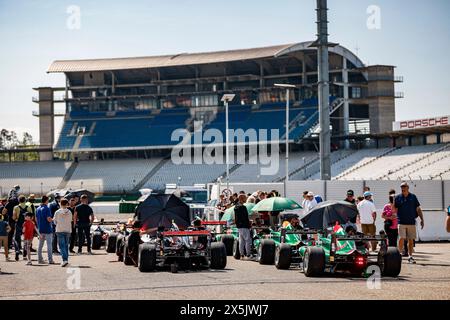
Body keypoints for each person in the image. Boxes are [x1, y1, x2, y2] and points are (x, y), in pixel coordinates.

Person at [393, 182, 424, 264]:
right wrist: (394, 218)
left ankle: (410, 256)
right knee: (401, 238)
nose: (402, 188)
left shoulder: (413, 197)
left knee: (411, 240)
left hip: (411, 222)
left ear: (408, 187)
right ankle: (398, 255)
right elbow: (395, 209)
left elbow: (418, 209)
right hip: (401, 222)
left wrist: (422, 219)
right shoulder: (398, 197)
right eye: (401, 186)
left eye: (404, 186)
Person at [35, 196, 55, 264]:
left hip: (40, 229)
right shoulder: (47, 208)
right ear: (46, 200)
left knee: (40, 245)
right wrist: (53, 220)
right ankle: (50, 260)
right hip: (47, 228)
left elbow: (36, 219)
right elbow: (48, 219)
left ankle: (40, 259)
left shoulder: (37, 209)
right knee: (49, 245)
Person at [53, 199, 72, 267]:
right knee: (66, 245)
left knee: (61, 246)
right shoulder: (69, 212)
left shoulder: (57, 212)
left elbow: (55, 222)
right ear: (66, 204)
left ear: (60, 204)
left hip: (60, 230)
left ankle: (64, 260)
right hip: (68, 230)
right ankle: (66, 259)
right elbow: (70, 220)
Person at [12, 195, 32, 261]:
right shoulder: (28, 207)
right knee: (26, 239)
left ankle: (17, 250)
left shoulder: (16, 207)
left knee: (15, 239)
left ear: (18, 200)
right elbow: (31, 217)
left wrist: (16, 219)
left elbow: (14, 217)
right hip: (27, 225)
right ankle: (24, 254)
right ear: (25, 200)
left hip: (18, 224)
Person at [234, 194, 251, 260]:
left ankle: (242, 255)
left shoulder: (236, 206)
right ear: (241, 198)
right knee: (247, 240)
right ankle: (248, 255)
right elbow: (245, 217)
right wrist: (248, 223)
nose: (246, 199)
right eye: (245, 198)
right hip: (244, 225)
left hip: (239, 225)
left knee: (241, 241)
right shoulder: (242, 207)